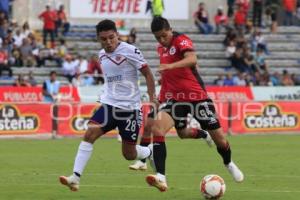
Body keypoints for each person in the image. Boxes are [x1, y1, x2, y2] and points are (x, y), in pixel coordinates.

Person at [145, 17, 244, 192]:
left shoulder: (181, 39)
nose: (161, 40)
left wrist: (170, 66)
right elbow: (167, 80)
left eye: (164, 35)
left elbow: (192, 59)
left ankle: (228, 163)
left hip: (197, 97)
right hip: (176, 99)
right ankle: (161, 176)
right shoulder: (161, 49)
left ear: (170, 30)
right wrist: (159, 99)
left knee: (220, 140)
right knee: (158, 128)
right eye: (157, 37)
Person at [59, 19, 157, 191]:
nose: (108, 42)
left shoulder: (130, 50)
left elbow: (148, 74)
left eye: (111, 37)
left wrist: (152, 96)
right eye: (104, 39)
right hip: (110, 105)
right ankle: (75, 178)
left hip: (129, 109)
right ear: (99, 39)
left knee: (129, 154)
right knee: (90, 134)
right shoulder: (101, 55)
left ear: (117, 35)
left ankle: (150, 152)